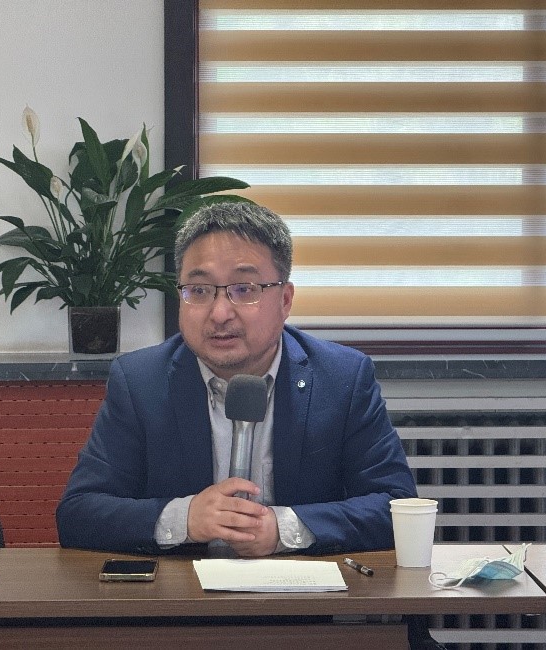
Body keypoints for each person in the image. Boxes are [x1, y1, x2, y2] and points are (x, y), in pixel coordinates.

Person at [56, 201, 417, 557]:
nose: (219, 313)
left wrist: (285, 529)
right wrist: (185, 518)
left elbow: (397, 507)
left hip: (300, 589)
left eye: (244, 289)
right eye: (199, 291)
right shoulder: (140, 382)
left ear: (285, 300)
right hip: (181, 589)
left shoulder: (342, 378)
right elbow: (79, 514)